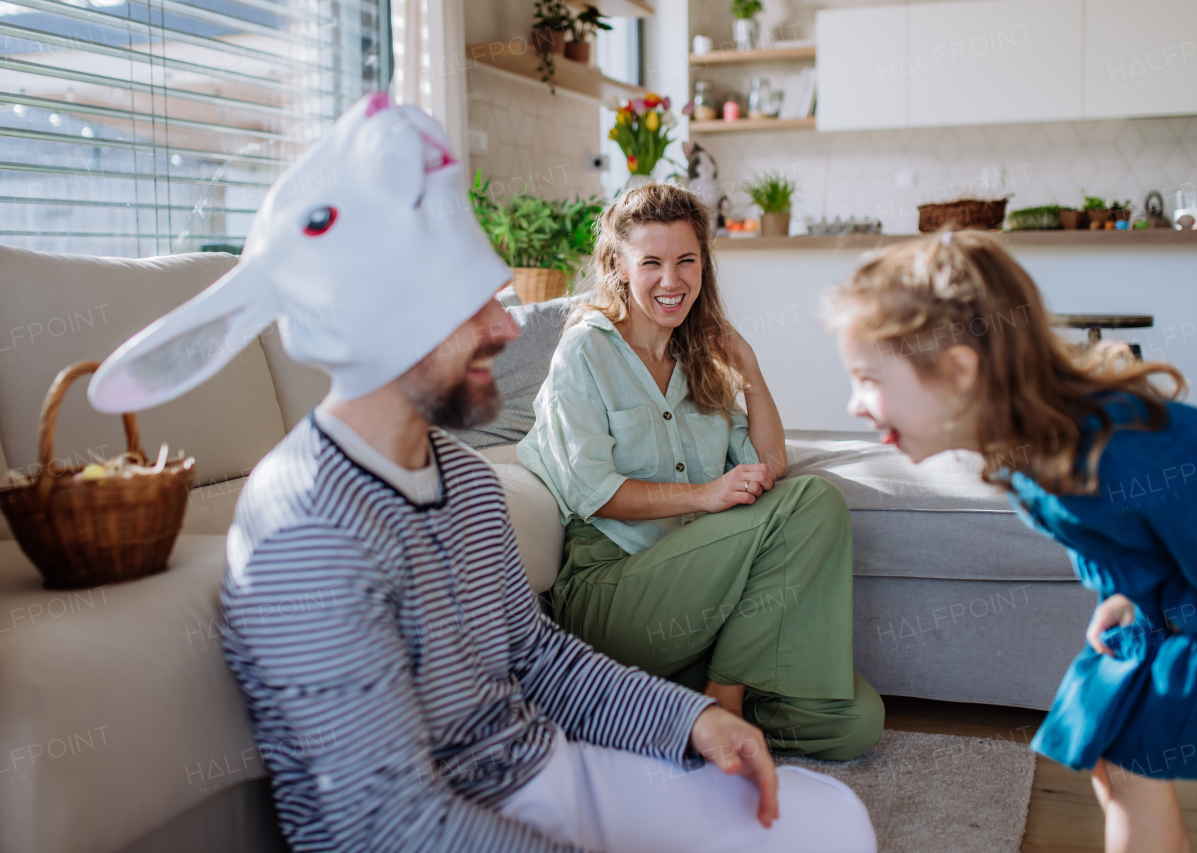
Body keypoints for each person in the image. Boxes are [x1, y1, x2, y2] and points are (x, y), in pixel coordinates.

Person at [88, 95, 877, 853]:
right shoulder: (305, 525)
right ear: (380, 322)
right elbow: (385, 826)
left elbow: (540, 657)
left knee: (836, 825)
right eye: (474, 307)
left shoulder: (463, 480)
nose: (506, 327)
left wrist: (691, 722)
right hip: (456, 821)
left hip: (546, 768)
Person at [824, 229, 1197, 853]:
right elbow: (1131, 543)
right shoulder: (1026, 457)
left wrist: (1168, 619)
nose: (854, 403)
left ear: (959, 371)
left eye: (869, 378)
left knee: (1130, 740)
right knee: (1118, 747)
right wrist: (1122, 598)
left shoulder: (1118, 452)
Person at [518, 183, 884, 761]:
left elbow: (769, 463)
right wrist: (705, 494)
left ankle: (685, 704)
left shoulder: (698, 362)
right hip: (614, 592)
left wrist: (749, 368)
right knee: (814, 501)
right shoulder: (584, 352)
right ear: (617, 265)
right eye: (652, 263)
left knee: (855, 722)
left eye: (687, 260)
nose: (672, 280)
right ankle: (727, 694)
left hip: (700, 603)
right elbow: (597, 493)